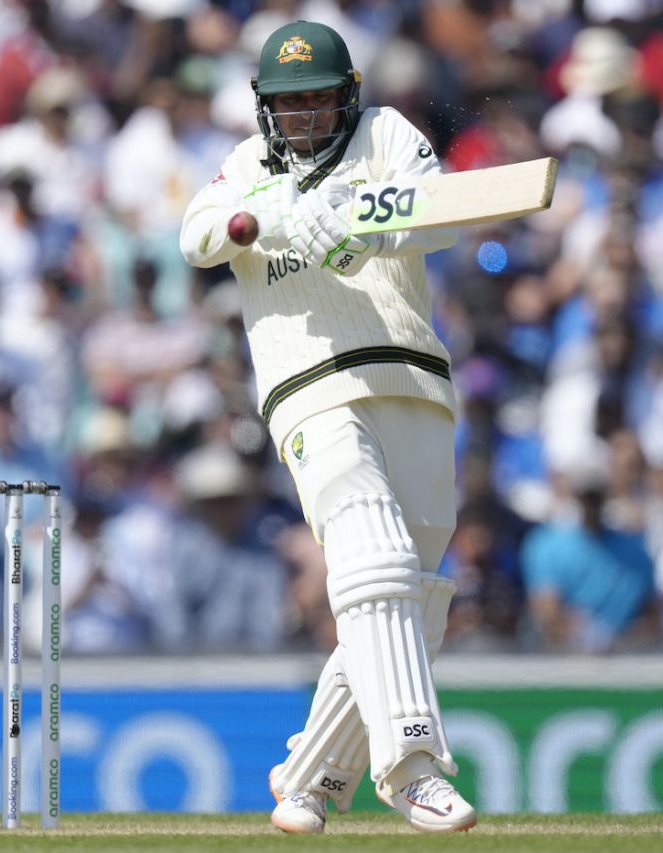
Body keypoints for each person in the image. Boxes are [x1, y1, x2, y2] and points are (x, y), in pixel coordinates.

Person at [179, 20, 472, 834]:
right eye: (288, 102)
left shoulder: (386, 136)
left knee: (411, 597)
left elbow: (443, 217)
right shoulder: (249, 165)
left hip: (412, 378)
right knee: (372, 554)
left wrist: (359, 222)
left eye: (317, 99)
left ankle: (310, 777)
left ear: (347, 97)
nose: (303, 115)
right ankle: (412, 765)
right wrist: (266, 216)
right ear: (264, 107)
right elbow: (198, 235)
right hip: (310, 384)